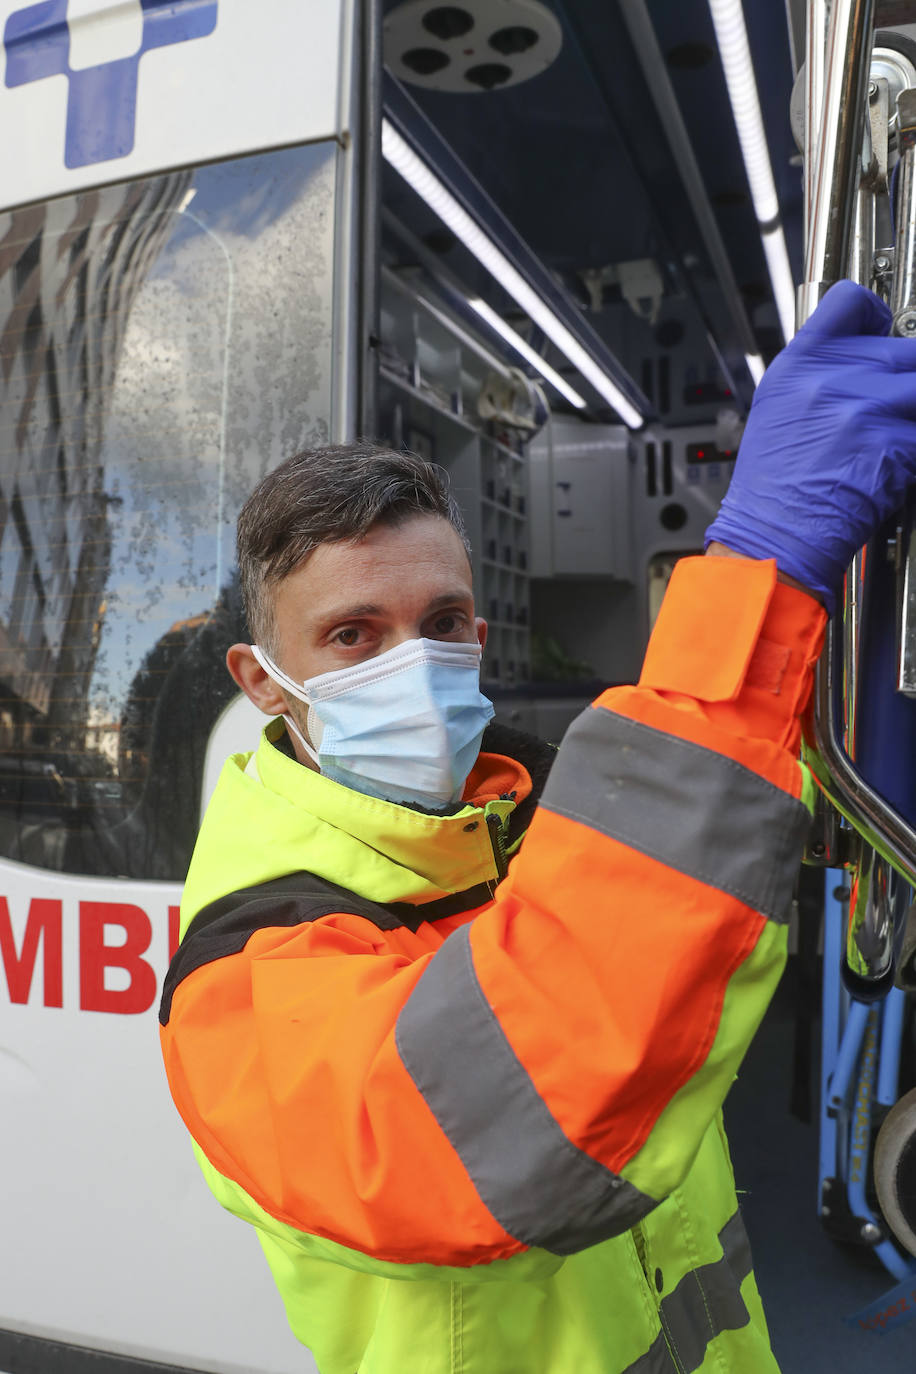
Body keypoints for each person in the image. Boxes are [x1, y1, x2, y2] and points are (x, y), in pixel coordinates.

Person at [159, 281, 916, 1374]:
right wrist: (755, 581)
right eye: (353, 635)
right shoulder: (243, 970)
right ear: (264, 681)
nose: (412, 663)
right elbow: (513, 1116)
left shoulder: (522, 820)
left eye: (443, 623)